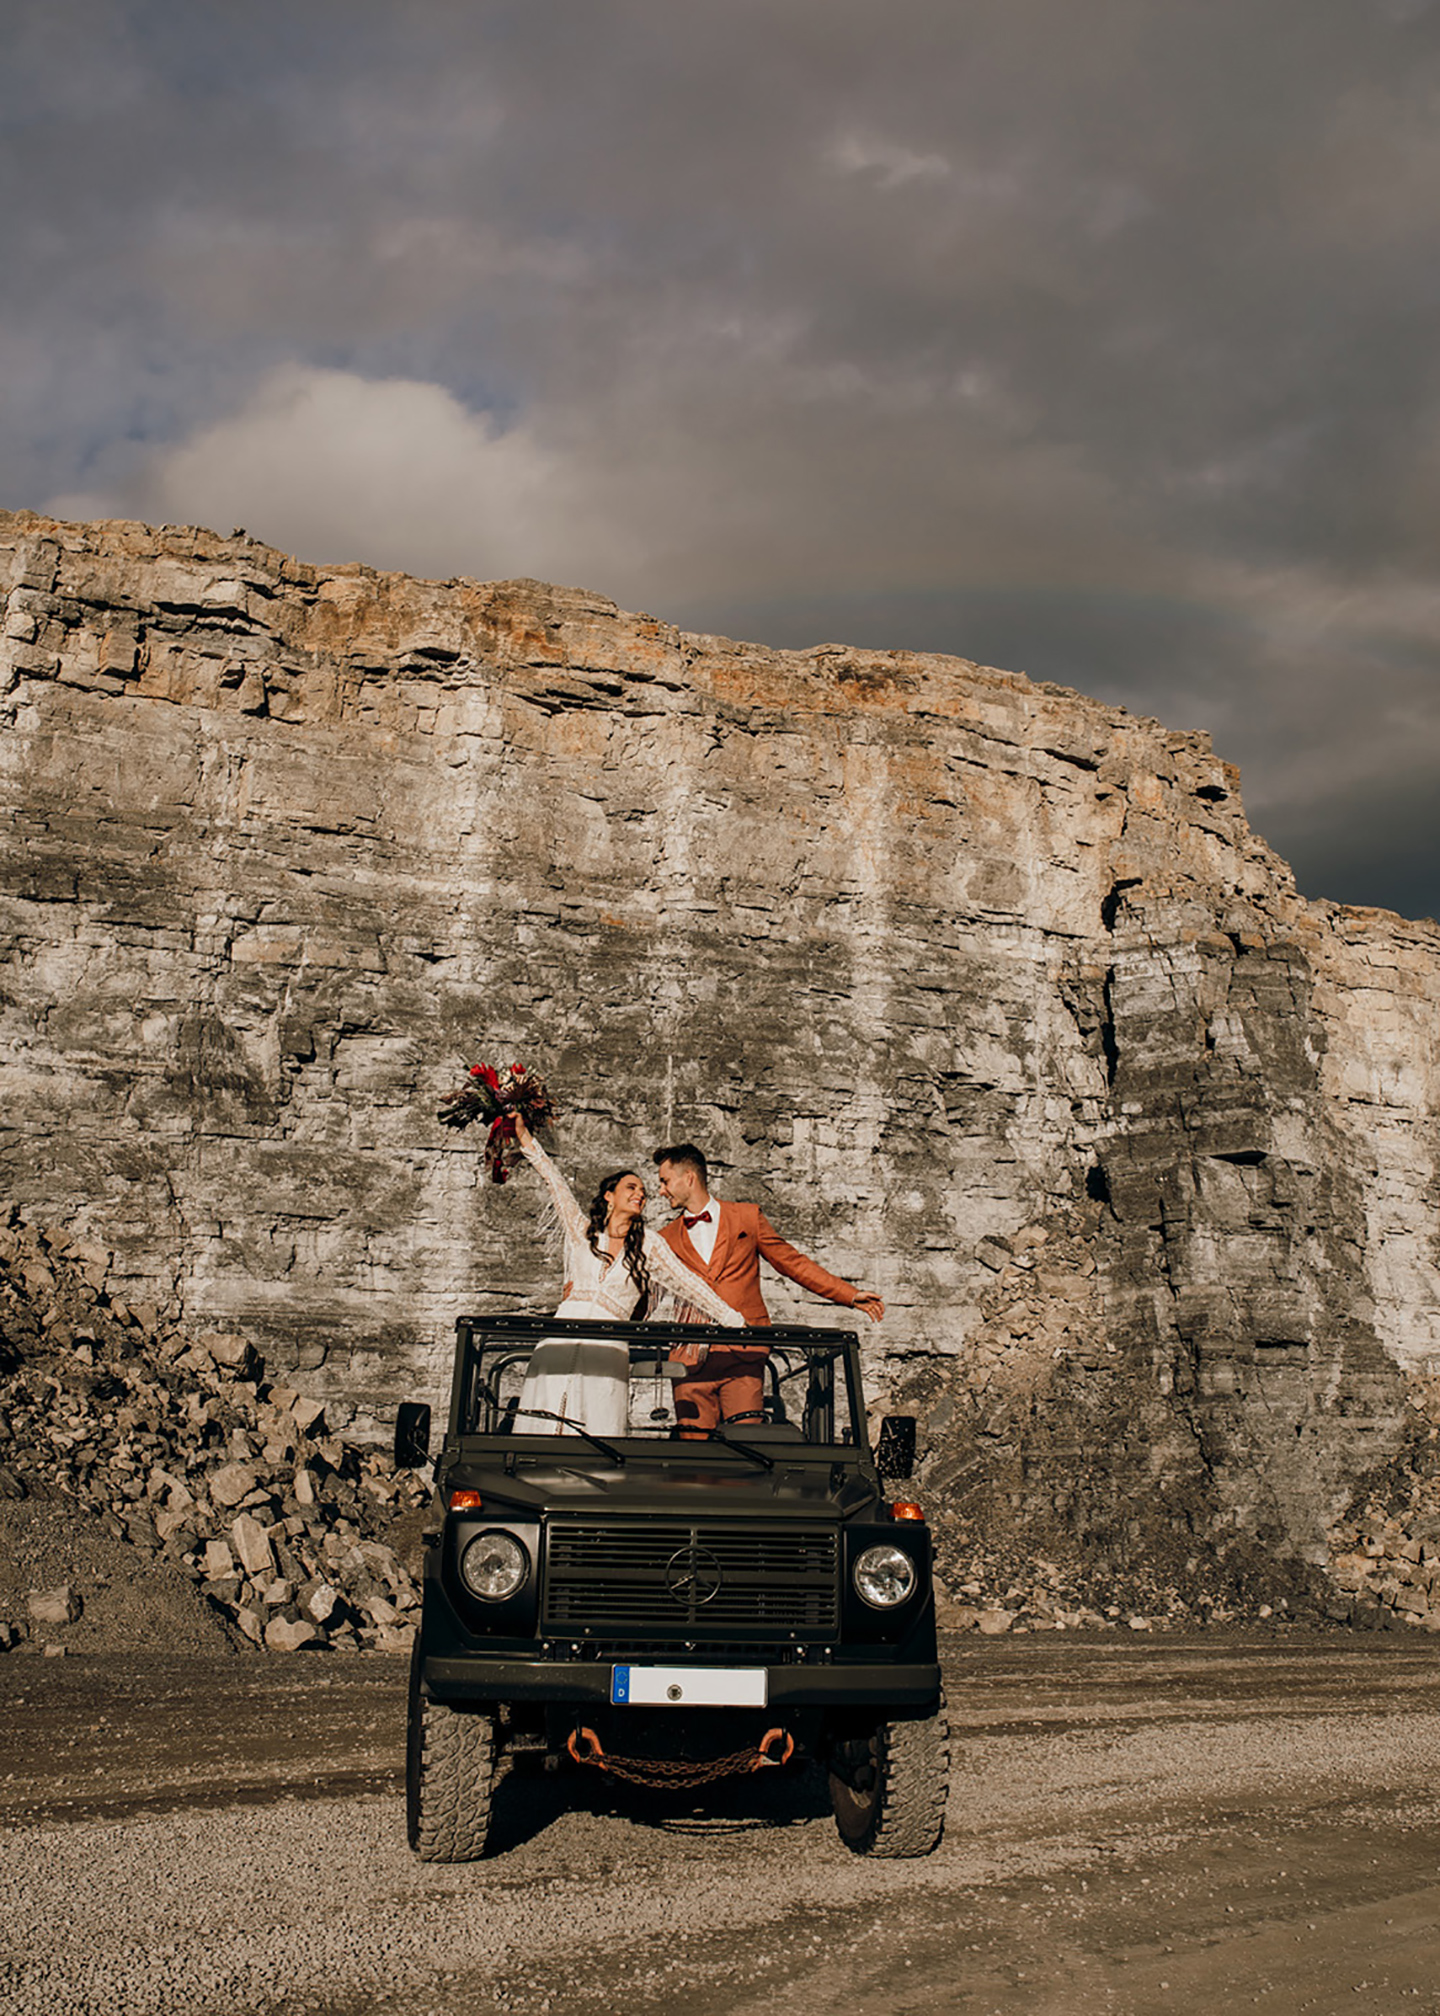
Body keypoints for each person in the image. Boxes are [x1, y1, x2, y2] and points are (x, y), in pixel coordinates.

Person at [510, 1114, 744, 1435]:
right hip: (560, 1341)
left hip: (606, 1351)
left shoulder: (649, 1244)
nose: (641, 1194)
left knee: (595, 1432)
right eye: (631, 1187)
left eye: (644, 1191)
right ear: (609, 1196)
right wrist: (524, 1137)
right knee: (543, 1425)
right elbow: (555, 1183)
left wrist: (732, 1319)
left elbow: (689, 1284)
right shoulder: (583, 1231)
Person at [652, 1142, 885, 1435]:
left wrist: (848, 1295)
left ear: (689, 1177)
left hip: (744, 1353)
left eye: (665, 1181)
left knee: (749, 1448)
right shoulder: (664, 1238)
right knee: (695, 1454)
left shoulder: (746, 1217)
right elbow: (642, 1290)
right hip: (691, 1361)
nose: (661, 1190)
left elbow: (791, 1262)